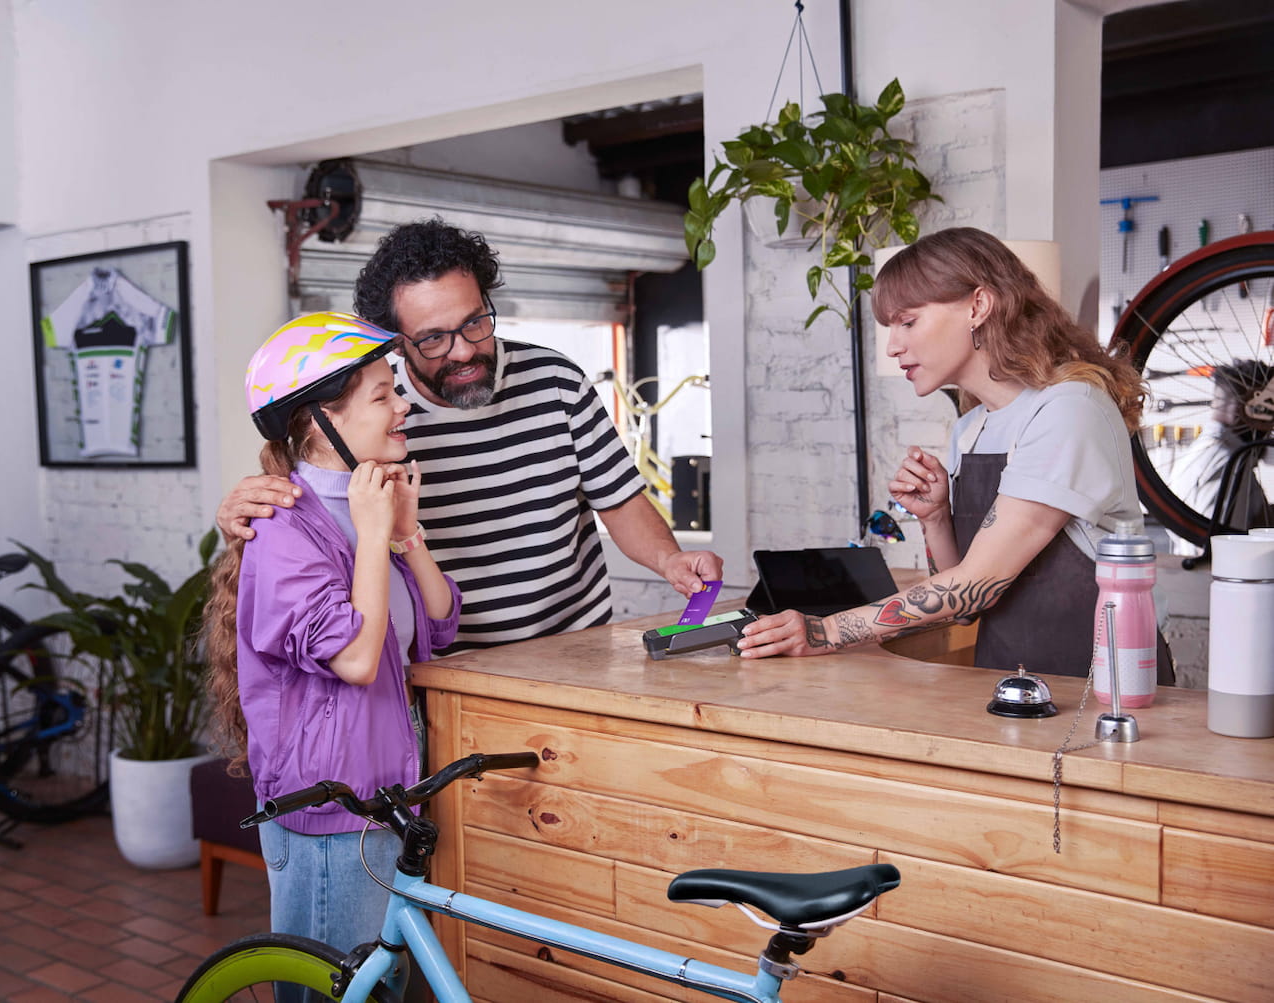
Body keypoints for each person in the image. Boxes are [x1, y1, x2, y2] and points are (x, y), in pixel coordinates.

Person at [217, 218, 722, 651]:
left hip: (575, 648)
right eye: (434, 338)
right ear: (394, 340)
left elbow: (620, 502)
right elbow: (320, 500)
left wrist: (669, 558)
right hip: (450, 664)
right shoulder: (375, 416)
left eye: (475, 323)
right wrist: (246, 511)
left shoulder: (556, 381)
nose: (462, 351)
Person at [738, 226, 1174, 682]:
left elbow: (976, 585)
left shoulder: (1067, 409)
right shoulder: (972, 428)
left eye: (908, 321)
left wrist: (825, 632)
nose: (893, 345)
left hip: (1103, 684)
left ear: (978, 306)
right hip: (1012, 682)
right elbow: (964, 605)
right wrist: (936, 518)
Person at [202, 312, 461, 972]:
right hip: (332, 810)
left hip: (389, 793)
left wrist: (406, 534)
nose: (404, 404)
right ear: (322, 422)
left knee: (380, 983)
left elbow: (437, 624)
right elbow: (354, 656)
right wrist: (375, 536)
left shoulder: (365, 500)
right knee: (337, 986)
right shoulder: (285, 527)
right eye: (383, 395)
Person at [1165, 359, 1273, 555]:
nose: (1271, 429)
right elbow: (1223, 548)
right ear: (1254, 411)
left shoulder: (1202, 453)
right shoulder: (1228, 465)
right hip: (1216, 581)